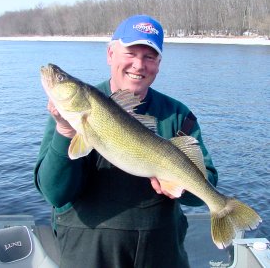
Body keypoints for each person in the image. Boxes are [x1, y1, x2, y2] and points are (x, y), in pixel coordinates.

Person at [34, 14, 218, 268]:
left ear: (158, 63)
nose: (139, 65)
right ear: (110, 54)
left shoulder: (178, 116)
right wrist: (65, 132)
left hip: (161, 254)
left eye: (149, 56)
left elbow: (204, 186)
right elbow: (55, 193)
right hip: (89, 254)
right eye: (130, 53)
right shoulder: (68, 116)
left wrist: (181, 187)